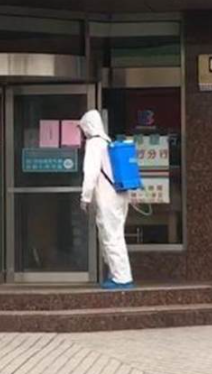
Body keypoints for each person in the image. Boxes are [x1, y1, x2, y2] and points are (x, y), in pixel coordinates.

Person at [78, 110, 134, 290]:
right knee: (115, 235)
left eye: (83, 128)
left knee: (111, 237)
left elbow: (91, 173)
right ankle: (117, 274)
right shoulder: (108, 142)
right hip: (120, 195)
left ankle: (122, 278)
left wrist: (85, 197)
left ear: (88, 126)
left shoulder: (94, 144)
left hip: (108, 197)